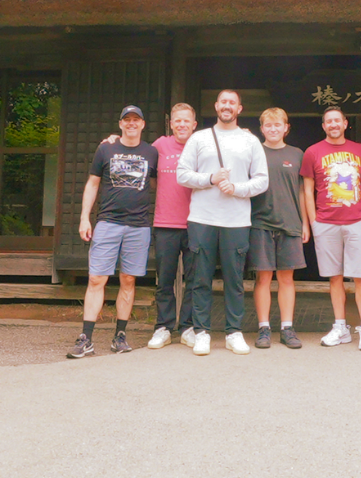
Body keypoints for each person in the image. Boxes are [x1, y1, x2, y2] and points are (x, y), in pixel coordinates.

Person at [177, 90, 268, 356]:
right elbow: (182, 175)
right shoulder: (199, 138)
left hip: (237, 220)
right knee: (200, 278)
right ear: (216, 106)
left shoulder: (250, 141)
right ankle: (201, 331)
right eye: (223, 102)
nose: (227, 106)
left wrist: (237, 187)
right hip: (202, 219)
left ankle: (233, 332)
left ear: (239, 108)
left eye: (232, 103)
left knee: (234, 279)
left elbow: (262, 180)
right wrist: (210, 179)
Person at [68, 105, 158, 359]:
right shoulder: (106, 148)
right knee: (97, 279)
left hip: (139, 226)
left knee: (129, 280)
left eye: (136, 120)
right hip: (107, 222)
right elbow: (93, 183)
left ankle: (120, 335)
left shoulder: (152, 152)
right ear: (120, 124)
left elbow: (159, 184)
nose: (131, 124)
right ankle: (86, 337)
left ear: (142, 124)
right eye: (126, 120)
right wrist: (85, 218)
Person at [300, 106, 361, 351]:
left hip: (356, 220)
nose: (333, 124)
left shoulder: (360, 151)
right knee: (335, 277)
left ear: (345, 123)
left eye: (337, 120)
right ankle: (340, 327)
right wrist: (312, 222)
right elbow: (307, 190)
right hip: (326, 222)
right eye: (328, 121)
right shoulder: (312, 152)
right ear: (323, 126)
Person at [249, 107, 307, 350]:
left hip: (290, 222)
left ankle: (287, 327)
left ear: (286, 127)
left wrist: (305, 222)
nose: (273, 129)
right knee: (263, 277)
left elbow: (303, 191)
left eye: (278, 125)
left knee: (287, 277)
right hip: (259, 222)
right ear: (262, 129)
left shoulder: (297, 154)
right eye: (268, 125)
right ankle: (263, 327)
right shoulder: (253, 152)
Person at [146, 103, 198, 350]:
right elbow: (152, 177)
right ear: (171, 124)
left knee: (194, 278)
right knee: (164, 279)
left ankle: (188, 327)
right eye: (177, 120)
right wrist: (113, 139)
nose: (181, 125)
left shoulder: (201, 145)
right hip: (165, 222)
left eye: (186, 120)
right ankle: (163, 327)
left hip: (196, 222)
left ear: (194, 124)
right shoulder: (159, 146)